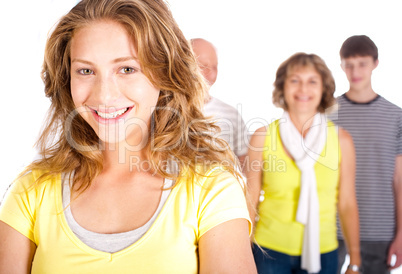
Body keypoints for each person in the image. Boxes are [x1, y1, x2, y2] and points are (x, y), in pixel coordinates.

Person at [0, 0, 257, 273]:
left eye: (127, 69)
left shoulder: (212, 191)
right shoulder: (31, 191)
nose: (104, 95)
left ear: (165, 74)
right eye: (86, 71)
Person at [246, 53, 361, 274]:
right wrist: (242, 250)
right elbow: (250, 198)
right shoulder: (262, 136)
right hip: (268, 252)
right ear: (283, 86)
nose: (303, 89)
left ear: (324, 88)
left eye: (312, 81)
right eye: (295, 80)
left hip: (324, 252)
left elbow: (347, 202)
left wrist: (354, 262)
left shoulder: (342, 140)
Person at [331, 35, 402, 274]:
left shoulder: (396, 116)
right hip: (332, 225)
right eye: (349, 64)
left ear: (375, 63)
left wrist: (401, 233)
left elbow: (399, 180)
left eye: (362, 63)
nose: (355, 71)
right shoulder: (327, 113)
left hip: (379, 228)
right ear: (341, 66)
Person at [190, 38, 248, 166]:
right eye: (203, 66)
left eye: (214, 67)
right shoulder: (165, 110)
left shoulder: (231, 114)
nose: (209, 73)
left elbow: (246, 161)